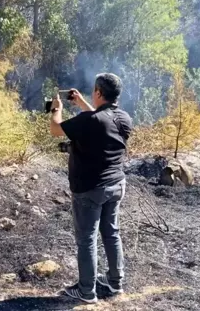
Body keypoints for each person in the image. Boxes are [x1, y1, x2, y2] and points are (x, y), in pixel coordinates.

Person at [48, 73, 133, 304]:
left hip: (90, 189)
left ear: (98, 93)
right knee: (111, 233)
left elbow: (56, 129)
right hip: (116, 185)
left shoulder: (91, 121)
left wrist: (56, 108)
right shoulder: (123, 118)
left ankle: (86, 291)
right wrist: (80, 103)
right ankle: (115, 283)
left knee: (86, 239)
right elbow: (101, 119)